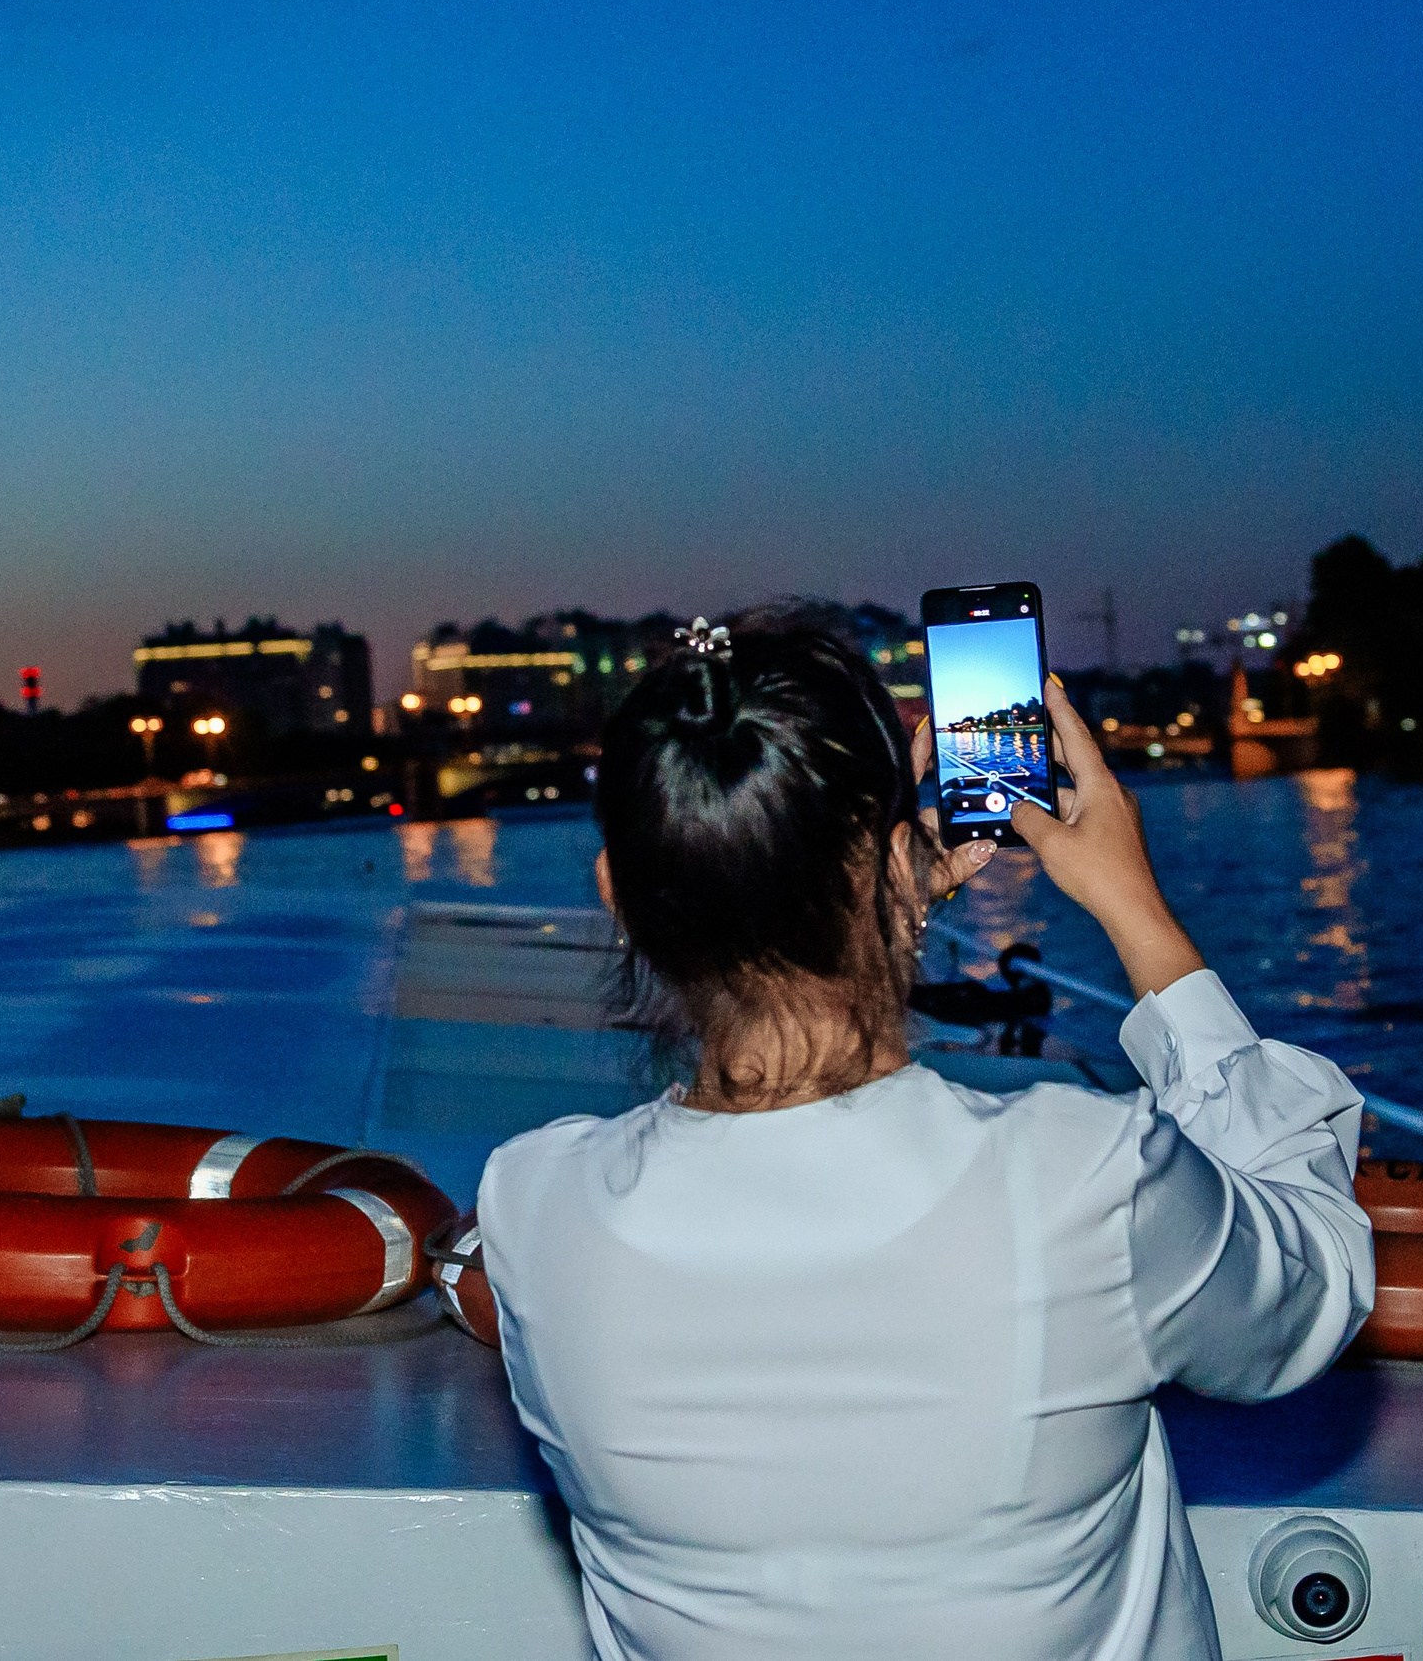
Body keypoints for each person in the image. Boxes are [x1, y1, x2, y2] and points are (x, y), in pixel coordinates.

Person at [477, 608, 1373, 1661]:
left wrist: (880, 890)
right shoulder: (1082, 1178)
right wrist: (1136, 912)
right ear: (898, 864)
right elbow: (1313, 1292)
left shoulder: (531, 1205)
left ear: (617, 897)